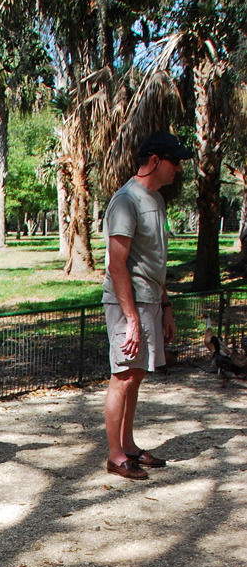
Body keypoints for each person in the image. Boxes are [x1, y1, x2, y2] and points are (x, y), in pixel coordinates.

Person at [102, 131, 193, 480]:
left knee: (136, 376)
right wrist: (132, 319)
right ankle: (115, 455)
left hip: (151, 302)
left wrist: (165, 306)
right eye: (174, 161)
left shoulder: (156, 199)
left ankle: (129, 446)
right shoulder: (126, 201)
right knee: (122, 375)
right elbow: (117, 264)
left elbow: (156, 261)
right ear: (154, 160)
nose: (178, 169)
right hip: (129, 303)